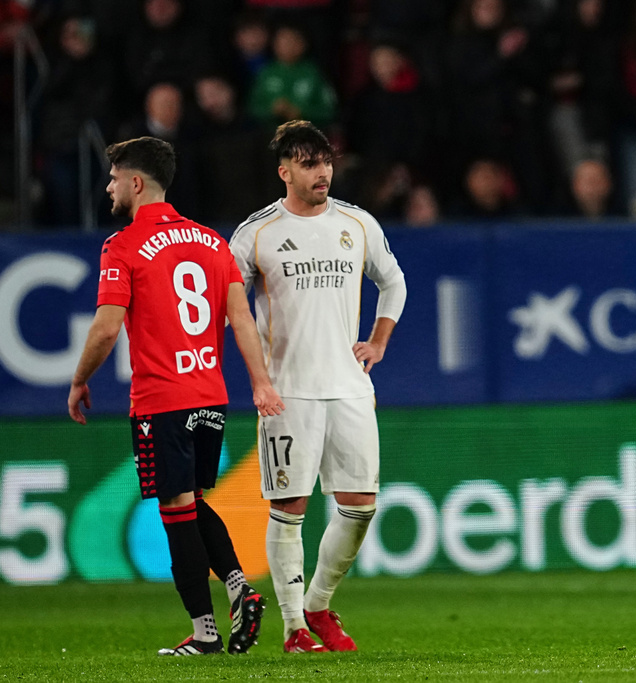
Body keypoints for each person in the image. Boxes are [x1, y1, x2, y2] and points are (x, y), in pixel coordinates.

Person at [67, 136, 285, 656]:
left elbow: (105, 327)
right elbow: (241, 319)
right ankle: (238, 589)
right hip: (211, 394)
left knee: (175, 511)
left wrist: (79, 380)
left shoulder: (121, 245)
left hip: (163, 399)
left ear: (137, 183)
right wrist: (260, 382)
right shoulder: (213, 241)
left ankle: (206, 632)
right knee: (192, 502)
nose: (110, 187)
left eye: (115, 177)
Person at [229, 120, 407, 653]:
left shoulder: (357, 223)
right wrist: (259, 380)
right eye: (308, 163)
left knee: (361, 505)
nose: (322, 171)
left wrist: (377, 341)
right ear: (284, 171)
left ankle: (318, 602)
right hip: (289, 391)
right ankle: (293, 629)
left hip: (349, 386)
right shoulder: (254, 233)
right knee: (290, 507)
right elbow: (234, 312)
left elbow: (392, 280)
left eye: (325, 160)